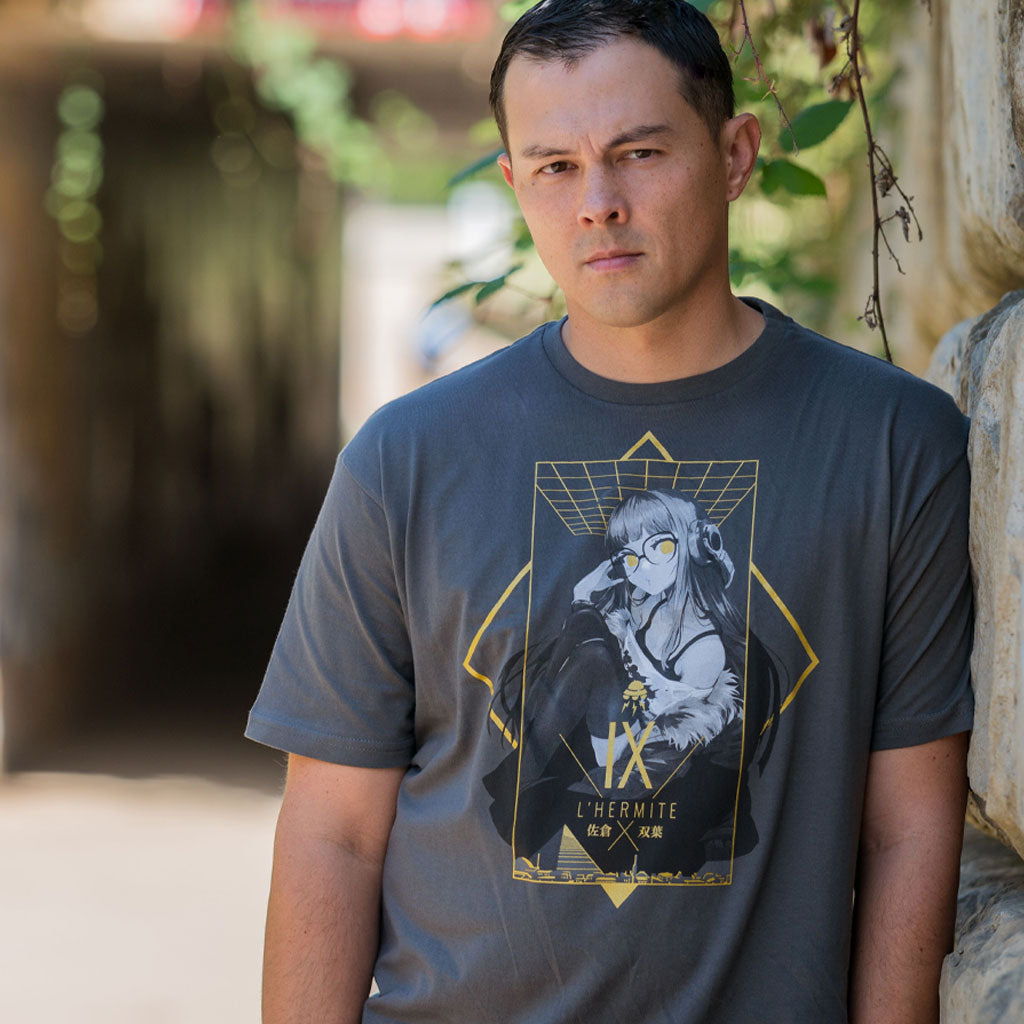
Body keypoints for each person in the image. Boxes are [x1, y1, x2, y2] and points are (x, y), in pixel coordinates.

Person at [246, 1, 973, 1021]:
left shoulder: (893, 445)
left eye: (637, 152)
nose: (597, 201)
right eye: (553, 166)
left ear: (734, 153)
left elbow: (908, 829)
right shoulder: (406, 460)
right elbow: (333, 831)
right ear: (514, 184)